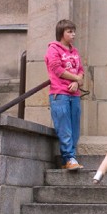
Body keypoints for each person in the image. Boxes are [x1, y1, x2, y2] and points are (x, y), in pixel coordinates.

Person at [45, 19, 85, 171]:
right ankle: (68, 158)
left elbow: (80, 70)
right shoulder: (53, 49)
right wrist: (76, 79)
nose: (73, 34)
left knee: (74, 128)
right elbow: (57, 69)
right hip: (59, 93)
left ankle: (71, 157)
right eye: (69, 31)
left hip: (74, 93)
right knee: (64, 128)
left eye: (74, 31)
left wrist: (77, 82)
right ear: (61, 33)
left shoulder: (74, 51)